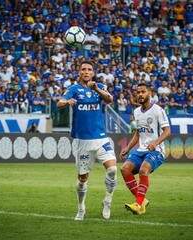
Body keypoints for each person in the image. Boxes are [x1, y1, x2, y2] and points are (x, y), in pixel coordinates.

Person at [57, 60, 117, 220]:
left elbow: (110, 100)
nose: (86, 72)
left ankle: (107, 201)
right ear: (79, 72)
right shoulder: (73, 89)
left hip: (101, 138)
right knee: (83, 179)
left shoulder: (100, 88)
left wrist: (96, 88)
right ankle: (81, 207)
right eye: (83, 69)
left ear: (93, 72)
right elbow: (59, 102)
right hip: (82, 141)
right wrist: (67, 102)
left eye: (89, 69)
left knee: (112, 170)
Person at [120, 83, 171, 215]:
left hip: (157, 150)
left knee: (143, 170)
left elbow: (167, 131)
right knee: (125, 169)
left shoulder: (158, 110)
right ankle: (142, 201)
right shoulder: (136, 112)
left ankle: (138, 204)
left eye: (143, 92)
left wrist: (156, 142)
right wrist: (128, 147)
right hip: (141, 150)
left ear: (150, 93)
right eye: (138, 92)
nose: (140, 94)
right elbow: (138, 133)